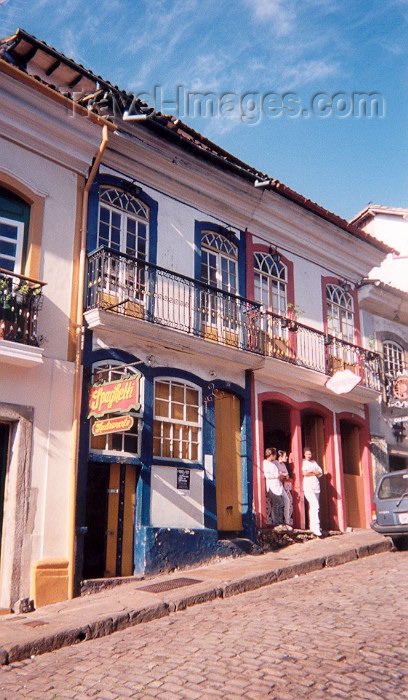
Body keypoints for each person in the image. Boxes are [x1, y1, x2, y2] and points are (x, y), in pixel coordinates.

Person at [302, 447, 323, 537]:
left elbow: (320, 472)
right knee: (315, 505)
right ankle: (316, 527)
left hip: (316, 486)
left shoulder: (314, 462)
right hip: (308, 487)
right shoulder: (303, 462)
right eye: (307, 454)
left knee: (314, 507)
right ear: (304, 454)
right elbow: (305, 473)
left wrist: (312, 472)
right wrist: (314, 472)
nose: (309, 456)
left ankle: (313, 526)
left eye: (310, 454)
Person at [263, 447, 285, 528]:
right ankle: (276, 521)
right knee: (278, 503)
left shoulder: (274, 463)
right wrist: (277, 475)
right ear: (271, 455)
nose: (275, 456)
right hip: (271, 486)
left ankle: (279, 520)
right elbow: (267, 475)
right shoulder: (265, 463)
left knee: (278, 503)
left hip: (277, 485)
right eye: (274, 454)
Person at [277, 450, 293, 528]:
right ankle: (278, 522)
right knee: (277, 504)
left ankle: (287, 521)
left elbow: (287, 476)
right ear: (280, 457)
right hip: (275, 486)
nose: (287, 457)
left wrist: (283, 475)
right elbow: (277, 474)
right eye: (285, 456)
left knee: (287, 500)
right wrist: (282, 475)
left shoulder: (283, 465)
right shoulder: (275, 463)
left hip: (281, 486)